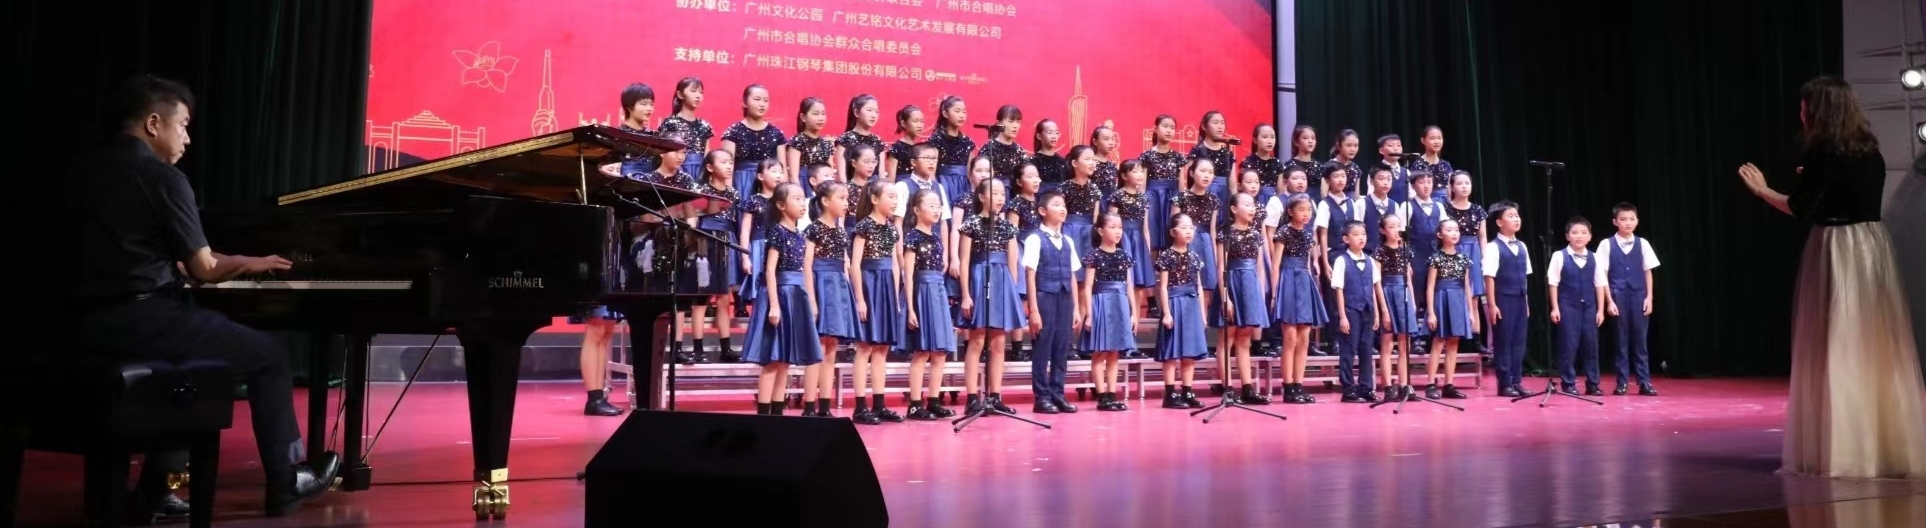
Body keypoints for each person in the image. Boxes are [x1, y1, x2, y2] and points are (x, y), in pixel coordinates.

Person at [64, 75, 337, 517]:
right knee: (268, 355)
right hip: (144, 321)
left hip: (80, 323)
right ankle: (287, 479)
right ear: (154, 123)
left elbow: (131, 254)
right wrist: (247, 262)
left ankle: (157, 489)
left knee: (188, 365)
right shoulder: (163, 178)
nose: (188, 139)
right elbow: (204, 269)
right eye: (183, 126)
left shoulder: (82, 172)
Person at [1738, 75, 1926, 479]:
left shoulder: (1822, 152)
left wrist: (1762, 190)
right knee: (1873, 347)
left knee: (1835, 345)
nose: (1801, 113)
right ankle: (1881, 447)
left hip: (1837, 248)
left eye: (1804, 106)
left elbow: (1799, 208)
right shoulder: (1869, 150)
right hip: (1872, 248)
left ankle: (1842, 451)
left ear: (1818, 110)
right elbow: (1847, 191)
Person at [1023, 190, 1083, 413]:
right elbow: (1030, 275)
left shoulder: (1068, 240)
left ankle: (1058, 393)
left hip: (1065, 298)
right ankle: (1041, 397)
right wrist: (1034, 310)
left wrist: (1076, 308)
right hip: (1045, 297)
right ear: (1042, 211)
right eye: (1057, 205)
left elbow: (1072, 275)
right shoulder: (1035, 239)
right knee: (1043, 348)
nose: (1062, 209)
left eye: (1063, 205)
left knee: (1061, 347)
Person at [1596, 203, 1661, 396]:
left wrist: (1649, 297)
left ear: (1637, 221)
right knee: (1621, 340)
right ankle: (1622, 382)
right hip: (1618, 295)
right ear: (1615, 221)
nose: (1628, 223)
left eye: (1632, 219)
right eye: (1623, 219)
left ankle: (1644, 381)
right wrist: (1609, 301)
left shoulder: (1643, 243)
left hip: (1639, 295)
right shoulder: (1606, 244)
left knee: (1640, 341)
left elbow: (1648, 272)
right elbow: (1602, 275)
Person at [1548, 217, 1605, 396]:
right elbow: (1553, 283)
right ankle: (1568, 383)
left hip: (1589, 306)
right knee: (1568, 345)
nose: (1579, 236)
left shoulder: (1595, 257)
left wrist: (1600, 310)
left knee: (1591, 345)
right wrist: (1555, 307)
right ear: (1567, 236)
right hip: (1567, 306)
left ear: (1590, 236)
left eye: (1583, 233)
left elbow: (1599, 284)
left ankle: (1593, 383)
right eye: (1574, 233)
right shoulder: (1559, 256)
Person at [1483, 201, 1531, 397]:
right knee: (1504, 341)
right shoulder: (1493, 247)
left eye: (1517, 215)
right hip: (1502, 299)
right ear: (1499, 222)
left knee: (1519, 341)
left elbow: (1525, 277)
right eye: (1511, 216)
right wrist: (1492, 305)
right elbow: (1489, 277)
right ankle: (1505, 383)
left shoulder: (1522, 246)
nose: (1516, 219)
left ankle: (1517, 380)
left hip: (1519, 299)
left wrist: (1526, 302)